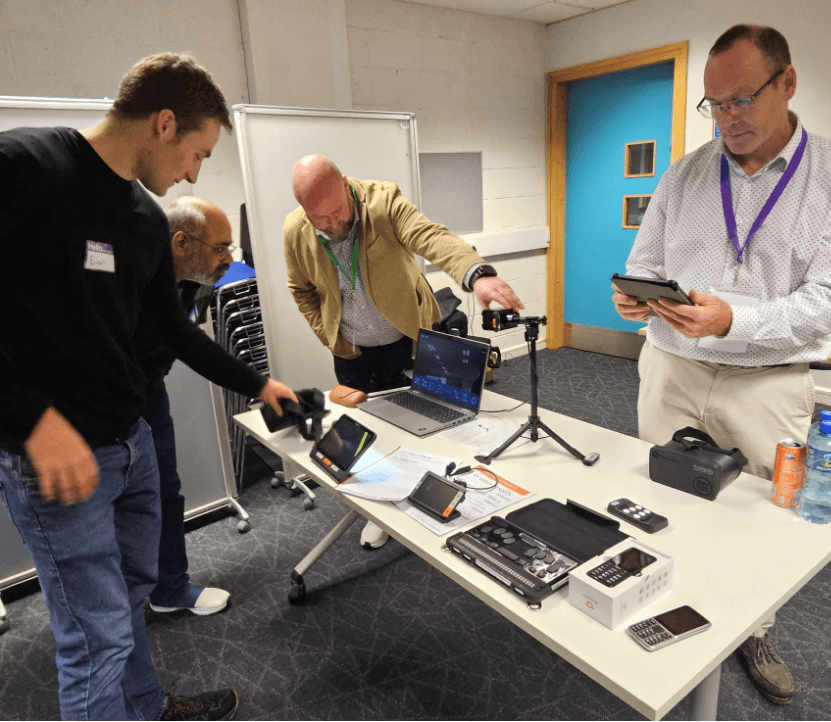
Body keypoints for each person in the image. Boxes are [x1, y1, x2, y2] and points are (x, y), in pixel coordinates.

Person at [0, 54, 297, 721]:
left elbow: (176, 330)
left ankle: (147, 708)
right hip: (58, 465)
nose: (195, 173)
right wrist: (30, 420)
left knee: (131, 602)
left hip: (129, 446)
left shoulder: (140, 218)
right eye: (198, 153)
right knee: (94, 642)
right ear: (164, 123)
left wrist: (259, 383)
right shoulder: (23, 167)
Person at [612, 25, 831, 706]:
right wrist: (635, 294)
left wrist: (736, 319)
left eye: (741, 100)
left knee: (758, 517)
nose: (727, 119)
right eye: (714, 104)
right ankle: (658, 597)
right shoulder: (685, 173)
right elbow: (646, 261)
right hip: (673, 368)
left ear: (787, 84)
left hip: (768, 383)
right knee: (660, 494)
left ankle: (753, 629)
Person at [284, 154, 524, 549]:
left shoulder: (383, 202)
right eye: (319, 218)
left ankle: (424, 496)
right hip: (352, 351)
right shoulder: (295, 230)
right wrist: (329, 335)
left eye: (336, 212)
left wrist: (476, 273)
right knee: (361, 435)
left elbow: (430, 236)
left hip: (406, 341)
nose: (331, 224)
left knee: (425, 425)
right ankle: (376, 505)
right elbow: (301, 289)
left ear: (346, 184)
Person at [138, 196, 237, 617]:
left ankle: (169, 588)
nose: (229, 258)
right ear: (181, 243)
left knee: (165, 491)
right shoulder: (134, 272)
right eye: (221, 248)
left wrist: (210, 277)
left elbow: (185, 330)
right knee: (111, 508)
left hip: (150, 393)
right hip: (102, 406)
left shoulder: (196, 274)